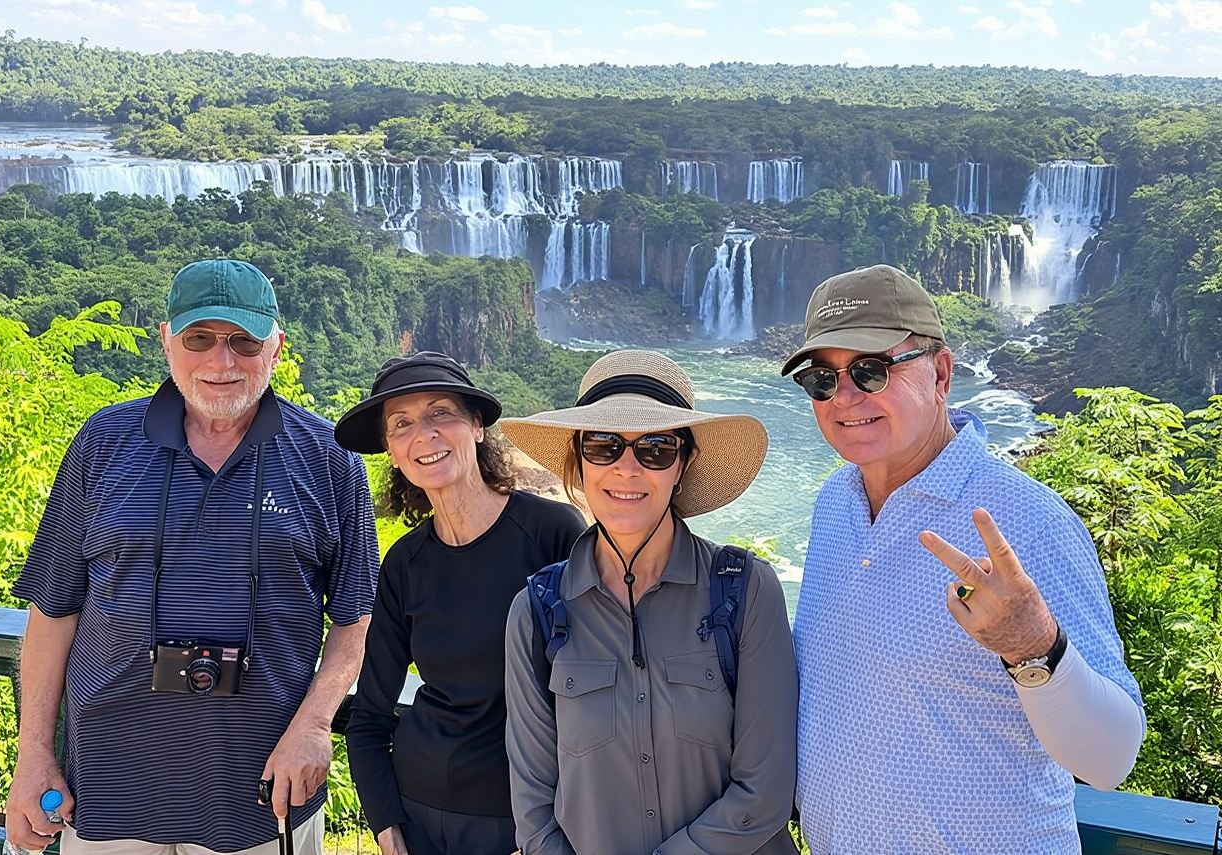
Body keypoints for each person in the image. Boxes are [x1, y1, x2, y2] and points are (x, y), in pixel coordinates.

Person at [4, 258, 378, 855]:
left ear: (276, 347)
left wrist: (313, 726)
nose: (221, 362)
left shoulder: (329, 458)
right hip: (106, 782)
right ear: (166, 341)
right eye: (199, 338)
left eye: (244, 342)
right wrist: (34, 755)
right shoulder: (103, 442)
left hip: (261, 791)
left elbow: (356, 618)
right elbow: (53, 611)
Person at [782, 264, 1144, 855]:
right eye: (823, 379)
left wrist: (1034, 647)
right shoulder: (834, 504)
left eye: (871, 371)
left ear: (941, 373)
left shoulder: (1025, 520)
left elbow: (1112, 758)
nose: (844, 398)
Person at [500, 349, 798, 855]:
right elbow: (533, 808)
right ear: (578, 459)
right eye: (603, 445)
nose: (628, 469)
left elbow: (765, 790)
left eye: (656, 448)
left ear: (683, 465)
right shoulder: (536, 613)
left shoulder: (745, 591)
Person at [334, 352, 586, 855]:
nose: (423, 434)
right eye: (401, 423)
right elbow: (368, 718)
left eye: (440, 413)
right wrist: (386, 824)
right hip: (419, 815)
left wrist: (558, 824)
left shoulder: (553, 534)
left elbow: (599, 697)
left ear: (476, 426)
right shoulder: (405, 563)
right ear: (390, 448)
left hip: (525, 820)